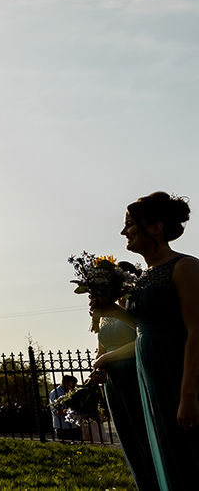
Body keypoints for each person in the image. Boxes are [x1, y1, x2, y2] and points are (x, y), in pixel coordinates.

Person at [94, 191, 199, 489]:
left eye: (130, 223)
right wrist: (112, 310)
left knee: (190, 454)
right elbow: (143, 326)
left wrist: (189, 393)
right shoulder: (143, 278)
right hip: (149, 375)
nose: (123, 231)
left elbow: (196, 330)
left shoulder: (185, 267)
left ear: (155, 227)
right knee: (165, 455)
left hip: (177, 371)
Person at [90, 264, 160, 490]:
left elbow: (142, 339)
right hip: (113, 381)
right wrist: (97, 367)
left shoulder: (134, 308)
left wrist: (107, 358)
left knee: (145, 434)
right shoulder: (104, 315)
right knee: (129, 438)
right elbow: (101, 349)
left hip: (135, 373)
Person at [48, 375, 82, 441]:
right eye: (72, 385)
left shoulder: (72, 392)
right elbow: (57, 411)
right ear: (67, 383)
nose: (74, 387)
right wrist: (71, 412)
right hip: (62, 427)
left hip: (74, 426)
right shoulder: (55, 393)